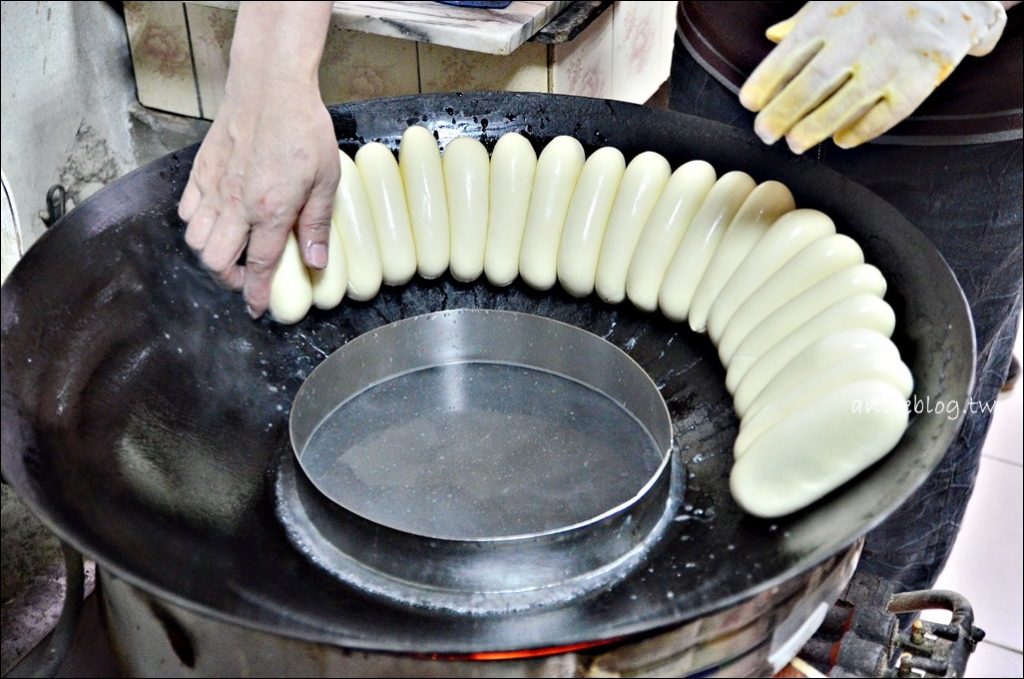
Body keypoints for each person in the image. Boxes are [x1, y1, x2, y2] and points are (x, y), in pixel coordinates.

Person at [178, 1, 1023, 592]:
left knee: (919, 427)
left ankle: (857, 628)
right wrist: (270, 67)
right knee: (728, 229)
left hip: (971, 103)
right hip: (748, 43)